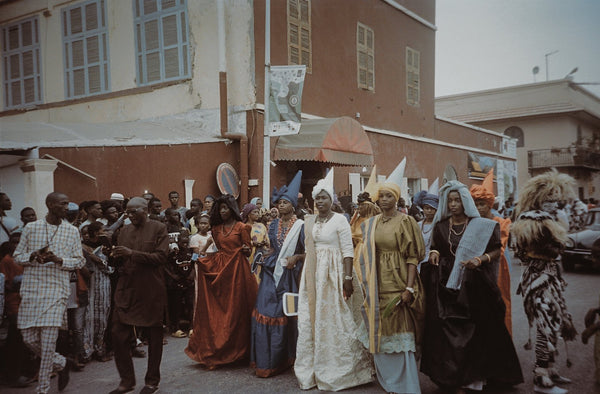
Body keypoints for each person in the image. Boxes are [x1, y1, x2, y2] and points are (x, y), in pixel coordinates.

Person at [420, 181, 522, 393]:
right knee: (447, 331)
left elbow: (495, 250)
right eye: (450, 201)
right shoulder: (440, 226)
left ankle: (475, 377)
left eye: (458, 200)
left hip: (474, 285)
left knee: (476, 330)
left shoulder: (482, 226)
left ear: (465, 202)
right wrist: (434, 253)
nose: (454, 204)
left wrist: (480, 259)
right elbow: (436, 247)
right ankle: (451, 378)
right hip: (445, 285)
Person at [295, 172, 373, 391]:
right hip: (314, 274)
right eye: (317, 198)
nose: (320, 202)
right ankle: (313, 370)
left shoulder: (340, 219)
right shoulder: (310, 221)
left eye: (324, 198)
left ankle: (342, 370)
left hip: (334, 273)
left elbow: (348, 250)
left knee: (336, 318)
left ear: (332, 200)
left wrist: (347, 278)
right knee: (312, 318)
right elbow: (308, 250)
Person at [356, 182, 425, 394]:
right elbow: (365, 254)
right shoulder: (372, 223)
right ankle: (390, 384)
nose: (384, 199)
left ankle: (407, 384)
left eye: (389, 196)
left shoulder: (406, 221)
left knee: (401, 328)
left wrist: (409, 288)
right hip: (378, 282)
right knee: (381, 329)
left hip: (400, 278)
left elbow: (413, 256)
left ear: (396, 199)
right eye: (382, 196)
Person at [512, 170, 577, 394]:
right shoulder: (529, 219)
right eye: (548, 199)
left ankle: (550, 369)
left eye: (556, 200)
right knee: (545, 325)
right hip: (537, 280)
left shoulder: (551, 219)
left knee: (555, 322)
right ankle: (540, 377)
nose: (553, 204)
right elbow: (526, 250)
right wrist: (554, 246)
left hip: (552, 278)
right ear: (539, 199)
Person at [13, 192, 85, 394]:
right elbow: (18, 256)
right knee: (28, 338)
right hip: (32, 289)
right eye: (63, 204)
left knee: (47, 342)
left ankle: (42, 389)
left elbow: (80, 261)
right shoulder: (31, 228)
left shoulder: (71, 231)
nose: (67, 207)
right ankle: (61, 362)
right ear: (50, 205)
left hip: (57, 290)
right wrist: (32, 256)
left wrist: (59, 260)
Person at [185, 194, 258, 369]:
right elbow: (217, 250)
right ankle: (218, 351)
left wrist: (247, 249)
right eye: (220, 208)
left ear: (232, 208)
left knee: (236, 311)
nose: (222, 211)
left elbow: (247, 252)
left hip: (238, 271)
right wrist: (203, 258)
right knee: (218, 311)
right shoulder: (216, 229)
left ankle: (240, 352)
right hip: (221, 268)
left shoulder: (243, 227)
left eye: (225, 208)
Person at [108, 197, 169, 394]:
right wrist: (114, 256)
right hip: (127, 288)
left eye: (134, 211)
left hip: (151, 289)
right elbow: (121, 261)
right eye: (128, 212)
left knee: (154, 335)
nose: (130, 215)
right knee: (118, 334)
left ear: (146, 210)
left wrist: (130, 253)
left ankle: (152, 381)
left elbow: (161, 257)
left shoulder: (159, 228)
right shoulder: (123, 231)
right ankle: (127, 381)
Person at [250, 171, 305, 377]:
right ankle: (267, 362)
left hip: (290, 276)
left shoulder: (301, 227)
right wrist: (264, 255)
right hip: (270, 273)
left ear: (293, 205)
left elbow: (308, 253)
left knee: (287, 314)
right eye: (279, 202)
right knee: (265, 310)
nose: (281, 205)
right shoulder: (271, 225)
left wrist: (297, 258)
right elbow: (273, 247)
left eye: (285, 202)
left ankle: (287, 358)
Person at [470, 170, 513, 335]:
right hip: (478, 269)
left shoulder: (501, 223)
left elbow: (499, 248)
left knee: (499, 305)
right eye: (476, 204)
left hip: (497, 269)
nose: (479, 208)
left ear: (489, 204)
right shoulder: (473, 222)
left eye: (482, 204)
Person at [0, 232, 35, 388]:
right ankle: (12, 375)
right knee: (16, 339)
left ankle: (21, 371)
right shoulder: (7, 260)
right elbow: (5, 284)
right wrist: (19, 283)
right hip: (14, 304)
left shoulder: (26, 259)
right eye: (14, 242)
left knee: (23, 340)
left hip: (26, 303)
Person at [241, 202, 270, 282]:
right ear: (248, 214)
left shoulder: (261, 226)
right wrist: (253, 243)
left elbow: (267, 240)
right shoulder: (243, 227)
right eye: (255, 212)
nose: (257, 214)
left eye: (258, 212)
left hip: (260, 255)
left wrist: (265, 242)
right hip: (249, 256)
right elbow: (241, 242)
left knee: (260, 277)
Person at [414, 191, 438, 273]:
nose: (429, 211)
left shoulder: (439, 226)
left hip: (432, 261)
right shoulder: (418, 225)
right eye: (426, 208)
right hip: (418, 260)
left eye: (432, 208)